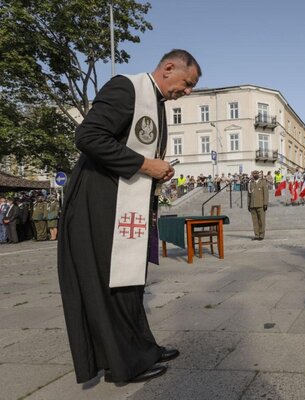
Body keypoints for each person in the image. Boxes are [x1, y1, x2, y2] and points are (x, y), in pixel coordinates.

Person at [57, 49, 201, 384]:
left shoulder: (156, 102)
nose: (188, 91)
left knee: (130, 282)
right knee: (112, 285)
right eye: (187, 82)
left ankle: (142, 348)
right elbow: (88, 137)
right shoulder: (126, 88)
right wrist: (144, 165)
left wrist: (155, 170)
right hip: (99, 203)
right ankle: (123, 363)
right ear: (168, 68)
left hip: (123, 203)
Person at [247, 170, 269, 240]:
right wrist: (248, 204)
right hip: (252, 205)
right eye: (254, 174)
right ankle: (256, 235)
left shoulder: (263, 182)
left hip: (261, 205)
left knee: (261, 221)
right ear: (252, 175)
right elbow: (249, 195)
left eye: (256, 174)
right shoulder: (250, 183)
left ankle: (261, 235)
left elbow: (266, 194)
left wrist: (265, 204)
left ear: (258, 174)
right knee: (255, 221)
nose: (255, 175)